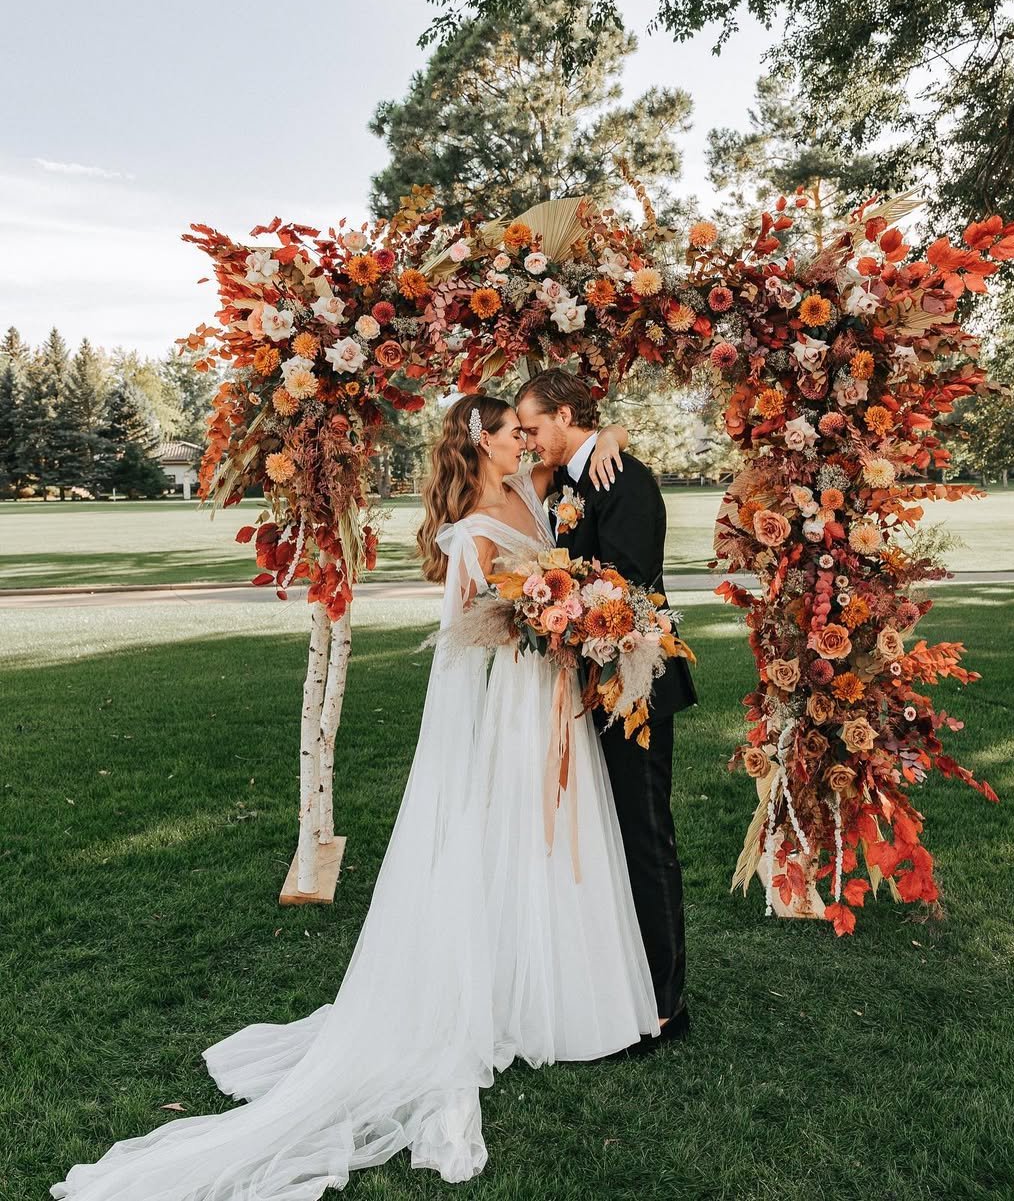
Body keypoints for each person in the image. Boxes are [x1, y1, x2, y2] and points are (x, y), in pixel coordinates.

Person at [50, 396, 657, 1198]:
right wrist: (551, 613)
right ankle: (512, 992)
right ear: (483, 441)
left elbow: (584, 457)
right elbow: (492, 620)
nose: (525, 436)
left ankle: (556, 984)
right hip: (512, 698)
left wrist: (608, 442)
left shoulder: (539, 488)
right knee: (512, 831)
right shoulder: (472, 529)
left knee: (552, 838)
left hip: (549, 695)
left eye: (527, 427)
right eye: (512, 429)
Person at [516, 369, 697, 1049]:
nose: (531, 440)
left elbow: (627, 587)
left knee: (647, 837)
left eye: (535, 427)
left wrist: (554, 595)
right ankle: (619, 979)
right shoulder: (569, 481)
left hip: (636, 682)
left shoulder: (628, 481)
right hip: (593, 682)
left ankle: (664, 1003)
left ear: (565, 414)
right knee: (610, 837)